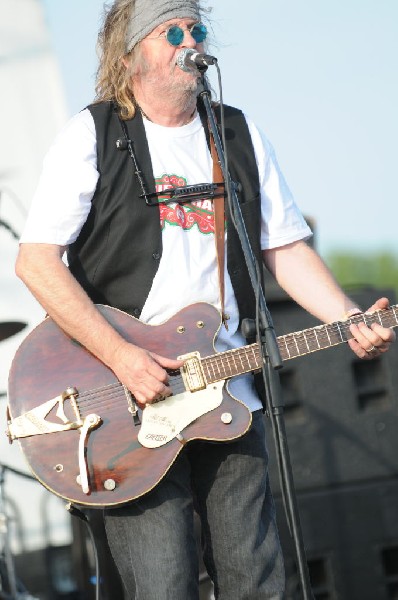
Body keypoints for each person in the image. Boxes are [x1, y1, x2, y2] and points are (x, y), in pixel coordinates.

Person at [15, 1, 395, 598]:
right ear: (131, 52)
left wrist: (347, 318)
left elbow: (285, 248)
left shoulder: (236, 133)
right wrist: (121, 357)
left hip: (228, 391)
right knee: (164, 583)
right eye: (173, 31)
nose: (191, 40)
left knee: (255, 579)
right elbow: (35, 262)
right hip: (128, 401)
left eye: (198, 29)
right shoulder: (93, 135)